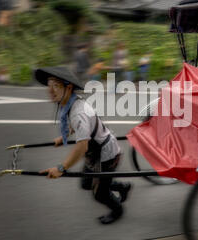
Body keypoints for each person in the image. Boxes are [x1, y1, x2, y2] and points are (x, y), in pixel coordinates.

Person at [35, 66, 131, 224]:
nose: (50, 90)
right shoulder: (69, 103)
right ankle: (122, 186)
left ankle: (118, 210)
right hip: (95, 151)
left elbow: (81, 147)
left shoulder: (78, 112)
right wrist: (64, 136)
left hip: (105, 154)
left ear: (69, 87)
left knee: (99, 194)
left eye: (56, 86)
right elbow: (79, 127)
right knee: (86, 183)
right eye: (49, 85)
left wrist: (61, 168)